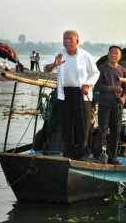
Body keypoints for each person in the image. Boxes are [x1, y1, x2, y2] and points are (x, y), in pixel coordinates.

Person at [43, 30, 100, 161]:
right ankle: (68, 155)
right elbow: (45, 68)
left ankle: (83, 156)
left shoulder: (85, 55)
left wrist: (87, 84)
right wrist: (54, 64)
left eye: (70, 39)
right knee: (66, 126)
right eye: (65, 39)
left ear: (77, 41)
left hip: (81, 94)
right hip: (64, 94)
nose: (67, 41)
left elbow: (95, 73)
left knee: (83, 126)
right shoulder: (59, 55)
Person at [93, 46, 126, 164]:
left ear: (120, 56)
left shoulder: (123, 71)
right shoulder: (102, 69)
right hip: (104, 104)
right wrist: (112, 88)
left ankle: (112, 158)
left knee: (116, 132)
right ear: (108, 55)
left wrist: (123, 97)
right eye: (111, 53)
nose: (113, 55)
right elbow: (97, 86)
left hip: (117, 105)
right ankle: (97, 156)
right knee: (102, 130)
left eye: (116, 53)